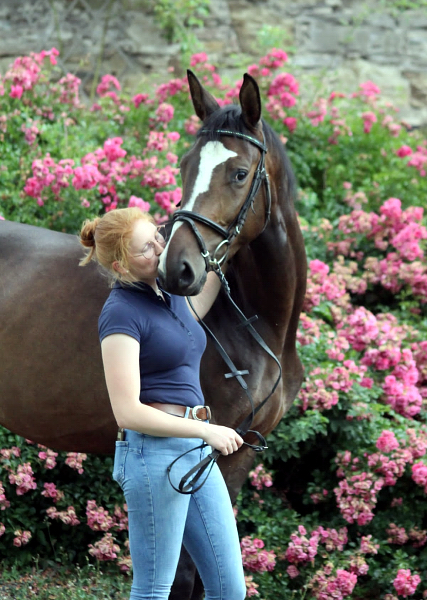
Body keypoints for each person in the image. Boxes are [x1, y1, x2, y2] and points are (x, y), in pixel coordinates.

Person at [79, 207, 247, 600]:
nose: (159, 248)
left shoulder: (171, 295)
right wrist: (206, 429)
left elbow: (211, 271)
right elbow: (128, 411)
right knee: (154, 589)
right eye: (146, 249)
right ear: (121, 265)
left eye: (157, 235)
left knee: (229, 589)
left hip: (194, 451)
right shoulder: (120, 313)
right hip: (153, 455)